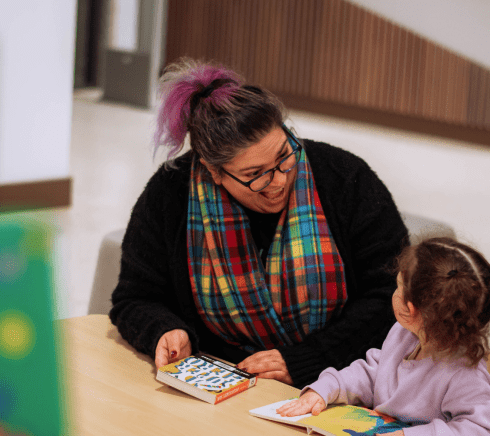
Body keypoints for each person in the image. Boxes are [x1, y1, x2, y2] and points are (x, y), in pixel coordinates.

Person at [109, 58, 409, 389]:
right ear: (213, 171)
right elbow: (135, 297)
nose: (279, 181)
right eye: (256, 175)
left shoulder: (344, 178)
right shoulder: (171, 194)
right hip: (224, 378)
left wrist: (307, 359)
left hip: (344, 377)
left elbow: (395, 295)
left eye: (284, 155)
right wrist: (164, 329)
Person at [277, 237, 490, 436]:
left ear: (411, 309)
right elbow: (375, 373)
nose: (393, 292)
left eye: (398, 286)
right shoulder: (404, 335)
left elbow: (480, 434)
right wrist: (329, 387)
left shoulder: (465, 373)